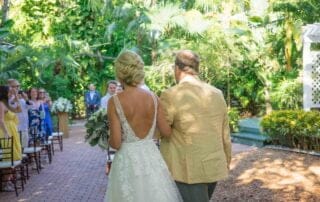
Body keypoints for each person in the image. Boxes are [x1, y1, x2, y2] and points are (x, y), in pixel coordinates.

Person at [105, 50, 182, 202]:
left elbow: (117, 143)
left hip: (127, 161)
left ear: (120, 72)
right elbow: (167, 132)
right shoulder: (153, 98)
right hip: (151, 157)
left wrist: (106, 138)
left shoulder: (114, 102)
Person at [160, 50, 232, 202]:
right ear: (196, 69)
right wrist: (226, 160)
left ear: (177, 68)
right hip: (213, 164)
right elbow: (225, 133)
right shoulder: (217, 94)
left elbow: (162, 132)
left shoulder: (170, 95)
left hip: (187, 169)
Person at [0, 85, 23, 191]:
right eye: (9, 92)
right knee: (8, 157)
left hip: (12, 130)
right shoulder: (1, 104)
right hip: (6, 131)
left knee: (14, 156)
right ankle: (5, 183)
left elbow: (19, 109)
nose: (10, 93)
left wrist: (16, 97)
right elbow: (1, 120)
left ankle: (9, 180)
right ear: (4, 92)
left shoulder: (7, 104)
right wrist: (6, 133)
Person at [7, 79, 30, 148]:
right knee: (17, 149)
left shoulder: (22, 98)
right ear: (9, 87)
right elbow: (12, 108)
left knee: (24, 148)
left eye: (18, 86)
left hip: (24, 127)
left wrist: (26, 99)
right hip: (15, 128)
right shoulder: (8, 98)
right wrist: (16, 99)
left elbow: (29, 107)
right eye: (15, 86)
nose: (17, 88)